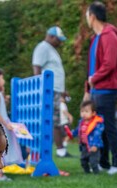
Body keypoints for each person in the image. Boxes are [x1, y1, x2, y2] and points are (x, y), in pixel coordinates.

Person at [84, 1, 117, 175]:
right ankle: (104, 163)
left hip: (108, 89)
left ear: (92, 16)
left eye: (87, 15)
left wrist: (94, 79)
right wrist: (88, 88)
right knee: (98, 127)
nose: (87, 18)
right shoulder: (95, 38)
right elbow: (92, 68)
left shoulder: (110, 36)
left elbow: (109, 64)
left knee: (109, 126)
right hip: (96, 90)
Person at [32, 26, 70, 157]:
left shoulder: (51, 49)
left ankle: (60, 150)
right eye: (59, 39)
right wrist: (40, 88)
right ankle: (60, 150)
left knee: (57, 119)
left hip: (56, 90)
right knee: (54, 120)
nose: (60, 42)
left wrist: (63, 90)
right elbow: (37, 67)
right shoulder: (43, 47)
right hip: (49, 90)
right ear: (52, 36)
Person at [64, 100, 104, 174]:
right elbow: (77, 131)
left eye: (86, 111)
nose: (83, 114)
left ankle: (96, 174)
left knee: (93, 162)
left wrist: (95, 145)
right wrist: (70, 135)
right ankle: (87, 173)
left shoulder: (97, 123)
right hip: (84, 146)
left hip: (93, 146)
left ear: (93, 113)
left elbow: (97, 134)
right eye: (82, 111)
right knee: (83, 160)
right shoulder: (81, 122)